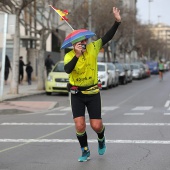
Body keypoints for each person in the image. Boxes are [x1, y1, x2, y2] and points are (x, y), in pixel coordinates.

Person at [64, 7, 121, 162]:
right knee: (79, 125)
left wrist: (117, 22)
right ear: (74, 44)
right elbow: (68, 70)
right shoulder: (69, 55)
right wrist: (76, 55)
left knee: (96, 125)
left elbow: (108, 37)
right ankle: (85, 151)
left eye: (84, 40)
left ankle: (101, 138)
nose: (83, 43)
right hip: (77, 94)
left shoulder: (93, 48)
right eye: (80, 42)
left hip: (93, 93)